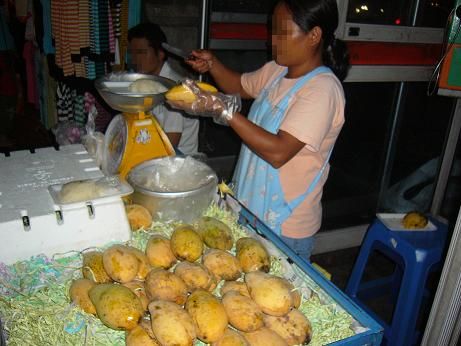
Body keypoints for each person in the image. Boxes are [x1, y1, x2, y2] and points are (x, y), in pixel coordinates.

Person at [169, 0, 350, 260]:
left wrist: (224, 111)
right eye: (272, 30)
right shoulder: (277, 71)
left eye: (283, 32)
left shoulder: (322, 90)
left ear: (314, 35)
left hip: (284, 227)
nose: (273, 40)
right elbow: (238, 85)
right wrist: (213, 65)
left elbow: (279, 152)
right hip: (249, 209)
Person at [127, 23, 199, 155]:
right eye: (132, 53)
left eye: (142, 53)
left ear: (160, 54)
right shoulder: (148, 81)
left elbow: (170, 143)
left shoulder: (175, 88)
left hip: (178, 160)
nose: (136, 59)